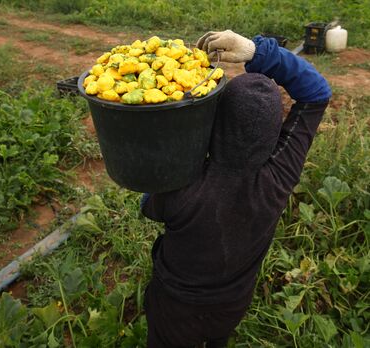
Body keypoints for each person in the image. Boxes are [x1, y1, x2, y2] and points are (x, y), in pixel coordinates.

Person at [141, 30, 332, 347]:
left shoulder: (181, 186)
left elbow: (149, 206)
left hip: (175, 308)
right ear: (273, 136)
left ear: (214, 125)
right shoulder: (279, 177)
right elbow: (316, 95)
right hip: (232, 305)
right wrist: (259, 52)